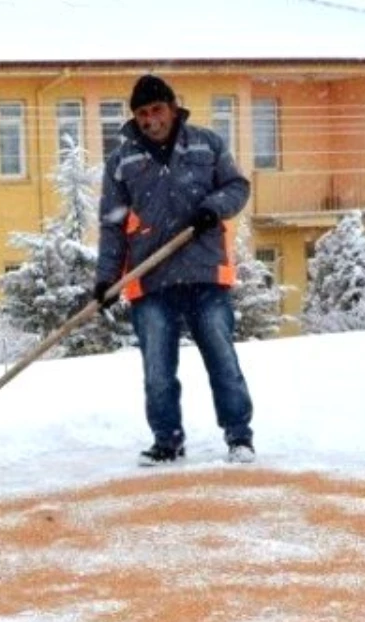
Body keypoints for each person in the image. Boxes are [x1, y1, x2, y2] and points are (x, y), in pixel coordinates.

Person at [93, 74, 257, 466]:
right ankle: (167, 440)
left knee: (222, 357)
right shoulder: (122, 161)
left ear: (172, 107)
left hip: (205, 272)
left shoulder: (207, 143)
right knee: (157, 369)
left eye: (157, 110)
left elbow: (237, 187)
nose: (151, 120)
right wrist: (106, 278)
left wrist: (211, 208)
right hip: (151, 279)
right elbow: (112, 224)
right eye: (143, 114)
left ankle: (239, 436)